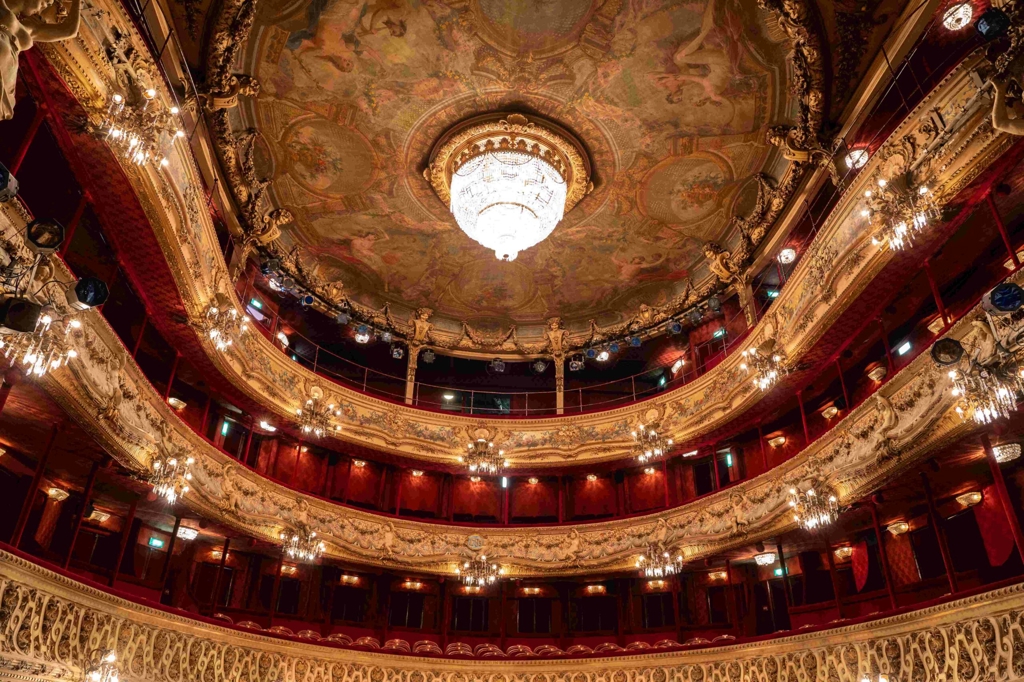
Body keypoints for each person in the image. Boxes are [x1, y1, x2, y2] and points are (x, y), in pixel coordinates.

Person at [0, 0, 81, 119]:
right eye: (45, 2)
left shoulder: (32, 30)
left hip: (7, 68)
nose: (40, 11)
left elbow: (69, 30)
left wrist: (77, 2)